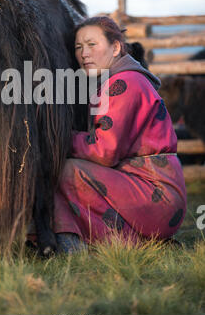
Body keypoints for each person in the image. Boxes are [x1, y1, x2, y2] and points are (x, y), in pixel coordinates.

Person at [53, 16, 187, 253]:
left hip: (154, 192)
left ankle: (69, 243)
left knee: (64, 170)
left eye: (92, 44)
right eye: (78, 47)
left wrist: (61, 138)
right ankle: (139, 241)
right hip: (156, 190)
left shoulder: (123, 84)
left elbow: (105, 151)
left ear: (115, 47)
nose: (84, 53)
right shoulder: (123, 80)